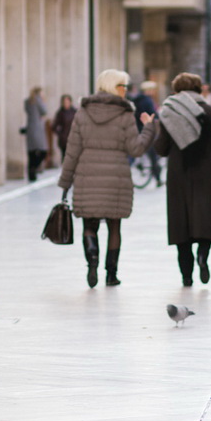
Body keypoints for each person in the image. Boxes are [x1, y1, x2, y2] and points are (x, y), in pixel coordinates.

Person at [58, 69, 157, 288]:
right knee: (114, 227)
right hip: (116, 179)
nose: (126, 91)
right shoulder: (124, 114)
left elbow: (72, 151)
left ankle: (92, 262)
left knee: (89, 225)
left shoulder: (82, 112)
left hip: (87, 177)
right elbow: (136, 148)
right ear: (114, 87)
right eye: (123, 86)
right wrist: (149, 128)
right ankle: (111, 275)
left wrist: (66, 182)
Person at [154, 72, 211, 286]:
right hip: (205, 173)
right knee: (206, 220)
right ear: (199, 89)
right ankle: (203, 257)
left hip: (178, 175)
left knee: (181, 226)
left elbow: (161, 149)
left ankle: (186, 276)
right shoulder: (209, 112)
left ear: (177, 91)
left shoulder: (168, 113)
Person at [132, 81, 162, 186]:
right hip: (147, 128)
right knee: (153, 154)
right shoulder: (147, 101)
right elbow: (152, 114)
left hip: (138, 129)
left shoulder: (137, 100)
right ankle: (157, 178)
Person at [24, 86, 48, 181]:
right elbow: (44, 111)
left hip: (30, 128)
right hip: (37, 129)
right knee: (43, 151)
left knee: (31, 153)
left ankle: (31, 174)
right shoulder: (38, 101)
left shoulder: (27, 101)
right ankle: (34, 169)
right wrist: (42, 100)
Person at [52, 93, 77, 160]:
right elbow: (54, 126)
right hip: (64, 140)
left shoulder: (74, 112)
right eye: (64, 102)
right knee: (65, 157)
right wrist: (60, 134)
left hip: (74, 138)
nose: (66, 103)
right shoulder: (60, 113)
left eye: (67, 102)